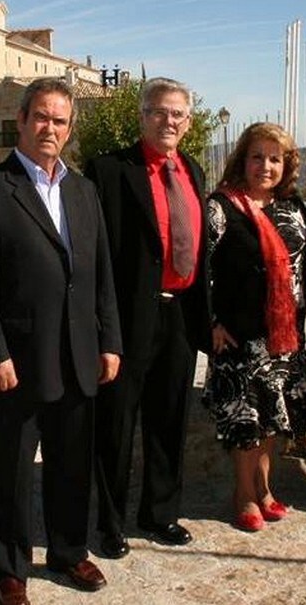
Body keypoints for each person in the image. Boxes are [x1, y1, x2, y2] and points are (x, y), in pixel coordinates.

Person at [0, 78, 122, 605]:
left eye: (60, 121)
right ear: (22, 121)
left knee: (73, 462)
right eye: (41, 117)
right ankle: (7, 568)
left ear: (70, 130)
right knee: (10, 468)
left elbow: (100, 276)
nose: (50, 128)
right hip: (17, 360)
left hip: (78, 354)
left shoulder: (83, 190)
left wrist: (109, 340)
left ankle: (69, 551)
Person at [85, 76, 211, 558]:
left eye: (178, 113)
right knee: (116, 425)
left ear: (189, 122)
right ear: (142, 116)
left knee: (169, 420)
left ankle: (160, 514)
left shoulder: (193, 170)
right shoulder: (110, 171)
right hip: (128, 317)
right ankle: (110, 524)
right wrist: (102, 329)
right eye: (159, 111)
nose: (169, 121)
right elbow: (96, 256)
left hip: (179, 317)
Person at [203, 122, 306, 532]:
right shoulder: (221, 207)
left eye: (275, 158)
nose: (265, 166)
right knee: (247, 424)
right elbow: (200, 271)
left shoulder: (294, 206)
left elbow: (304, 267)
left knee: (273, 420)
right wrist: (210, 322)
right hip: (239, 335)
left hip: (284, 335)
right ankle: (244, 494)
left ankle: (266, 488)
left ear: (286, 165)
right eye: (257, 157)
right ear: (243, 159)